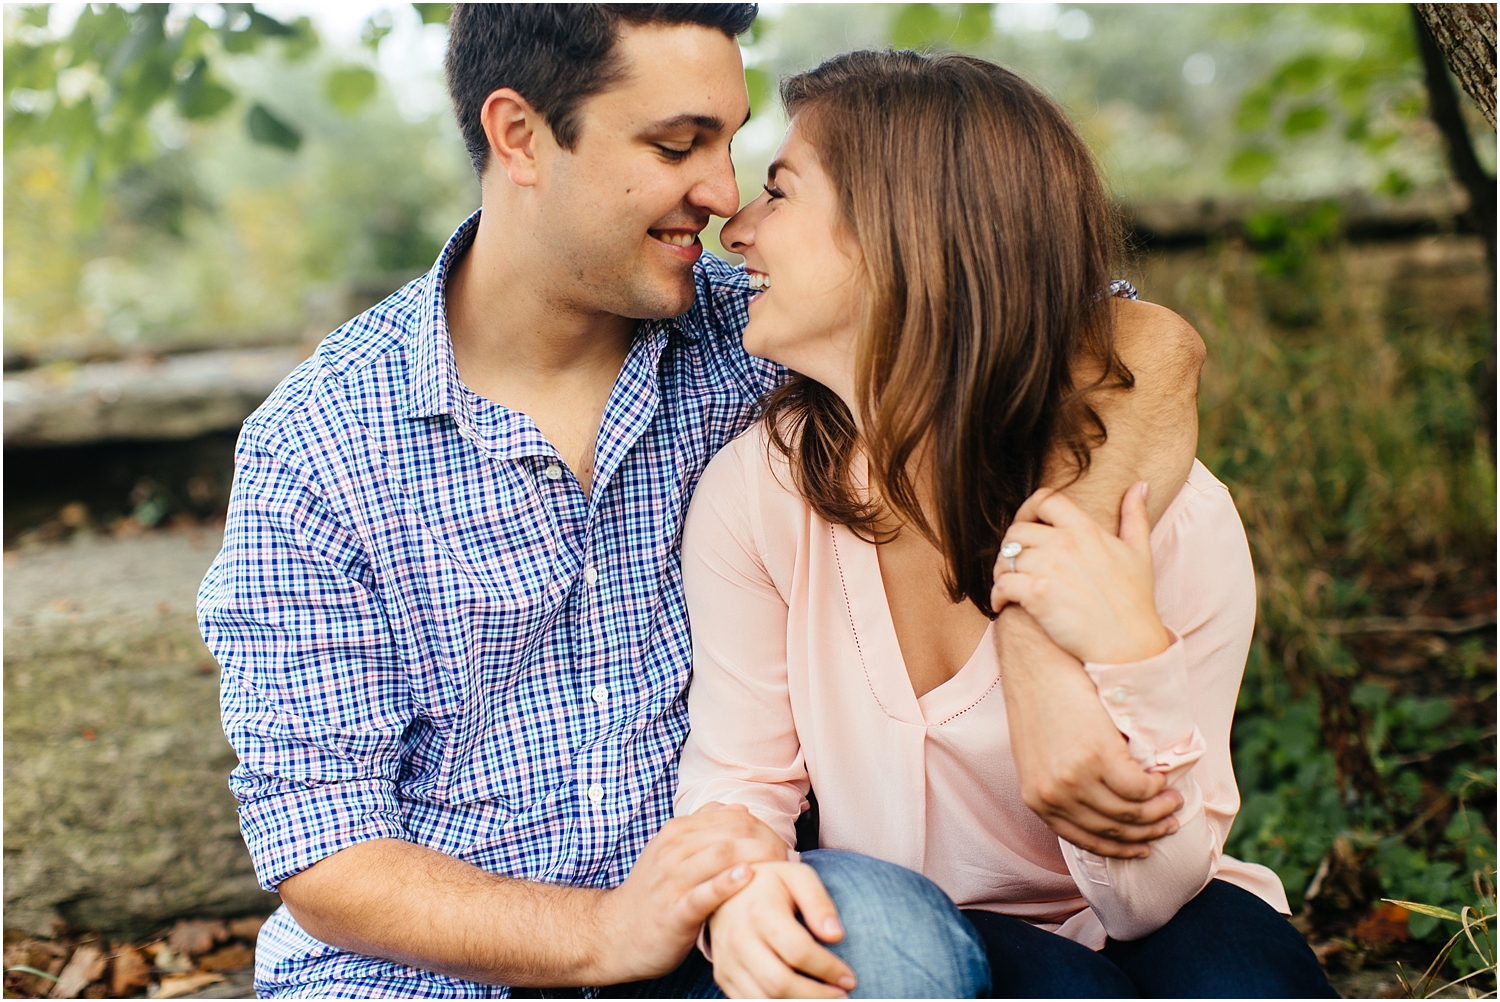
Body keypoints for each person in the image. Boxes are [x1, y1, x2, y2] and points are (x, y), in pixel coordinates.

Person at [199, 6, 1204, 998]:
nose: (724, 197)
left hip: (731, 932)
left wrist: (1032, 621)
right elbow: (324, 848)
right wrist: (602, 934)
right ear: (519, 137)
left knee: (887, 940)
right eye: (678, 145)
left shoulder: (764, 333)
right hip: (428, 979)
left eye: (731, 144)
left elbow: (1140, 344)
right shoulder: (320, 448)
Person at [676, 49, 1338, 998]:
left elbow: (1146, 899)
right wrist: (736, 891)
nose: (734, 230)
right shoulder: (761, 495)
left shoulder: (1174, 520)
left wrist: (1121, 661)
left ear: (909, 233)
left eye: (779, 193)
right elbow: (741, 779)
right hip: (903, 928)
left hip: (1160, 920)